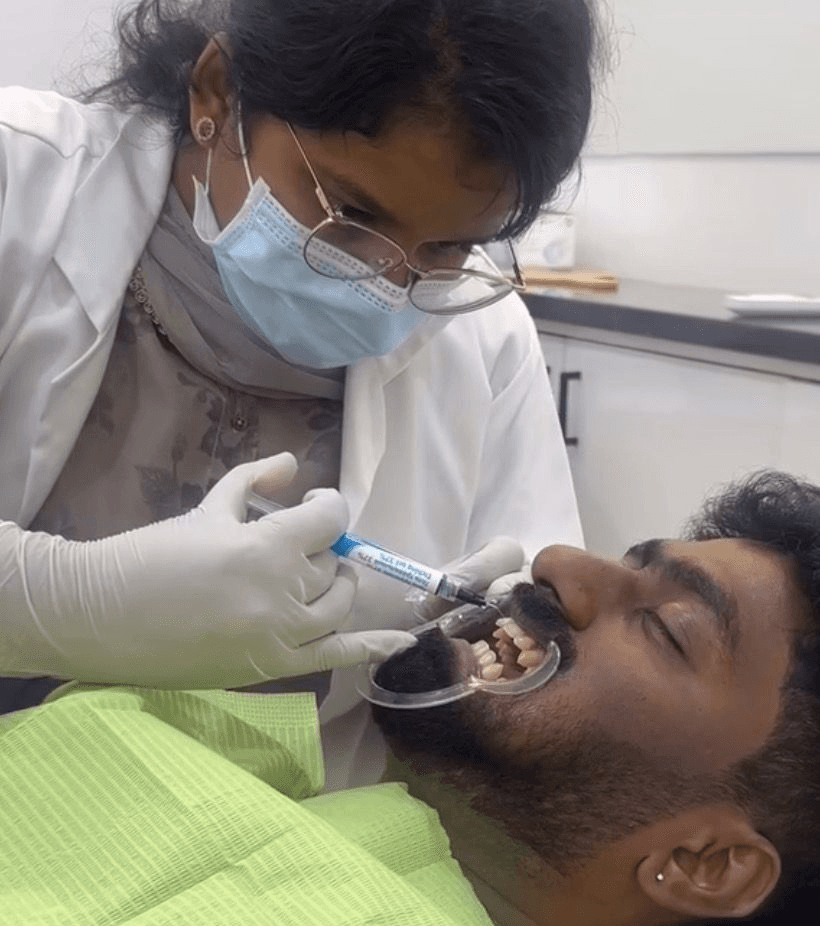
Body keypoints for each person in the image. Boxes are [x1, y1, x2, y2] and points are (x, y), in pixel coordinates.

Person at [0, 0, 599, 786]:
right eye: (350, 212)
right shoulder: (19, 182)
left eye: (451, 246)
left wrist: (471, 654)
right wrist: (66, 602)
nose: (391, 283)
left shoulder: (483, 336)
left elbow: (544, 665)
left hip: (279, 835)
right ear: (218, 93)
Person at [0, 469, 818, 926]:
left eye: (668, 629)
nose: (560, 562)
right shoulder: (250, 771)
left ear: (707, 866)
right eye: (628, 561)